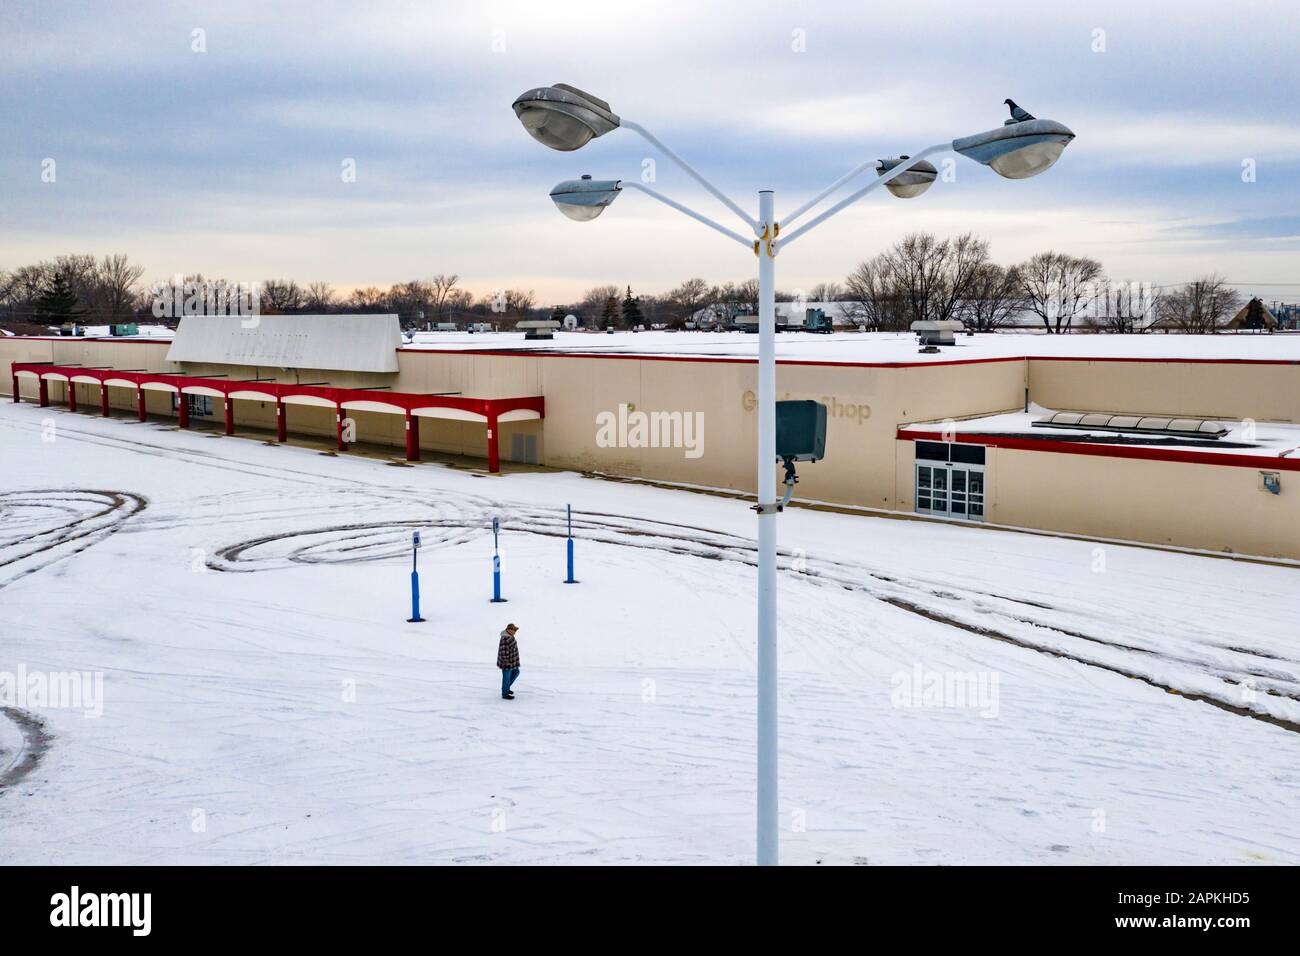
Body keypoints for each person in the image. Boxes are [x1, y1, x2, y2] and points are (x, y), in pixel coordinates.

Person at [497, 623, 521, 700]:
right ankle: (505, 694)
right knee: (506, 678)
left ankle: (506, 687)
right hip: (507, 663)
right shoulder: (505, 638)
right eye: (514, 630)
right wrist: (506, 662)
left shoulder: (510, 636)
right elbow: (503, 651)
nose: (515, 632)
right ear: (509, 630)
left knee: (516, 672)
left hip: (512, 662)